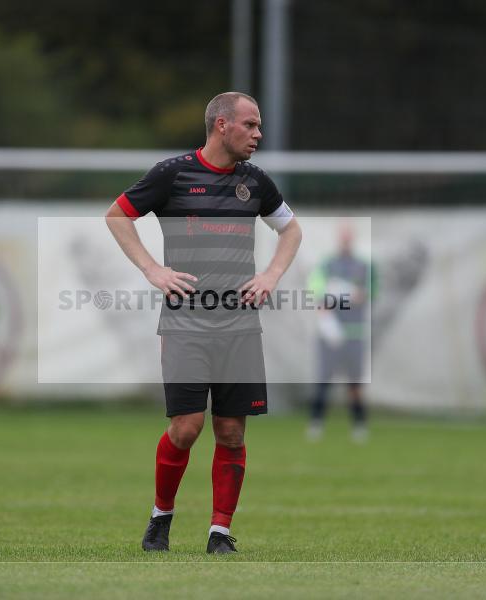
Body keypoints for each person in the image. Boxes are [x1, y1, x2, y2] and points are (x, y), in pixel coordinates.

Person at [105, 92, 302, 554]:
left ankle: (219, 532)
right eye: (250, 125)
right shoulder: (173, 174)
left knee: (231, 432)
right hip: (185, 323)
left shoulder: (255, 183)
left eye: (259, 126)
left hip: (239, 326)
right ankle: (161, 517)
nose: (258, 134)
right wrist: (152, 269)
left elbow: (291, 229)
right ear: (221, 125)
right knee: (186, 427)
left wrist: (271, 274)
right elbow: (117, 216)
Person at [307, 225, 373, 443]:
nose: (345, 242)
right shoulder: (327, 265)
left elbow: (370, 292)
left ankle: (359, 424)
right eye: (342, 238)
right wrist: (326, 311)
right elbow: (316, 290)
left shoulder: (363, 266)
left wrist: (356, 294)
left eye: (348, 238)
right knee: (324, 378)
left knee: (354, 382)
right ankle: (316, 423)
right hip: (330, 333)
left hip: (354, 333)